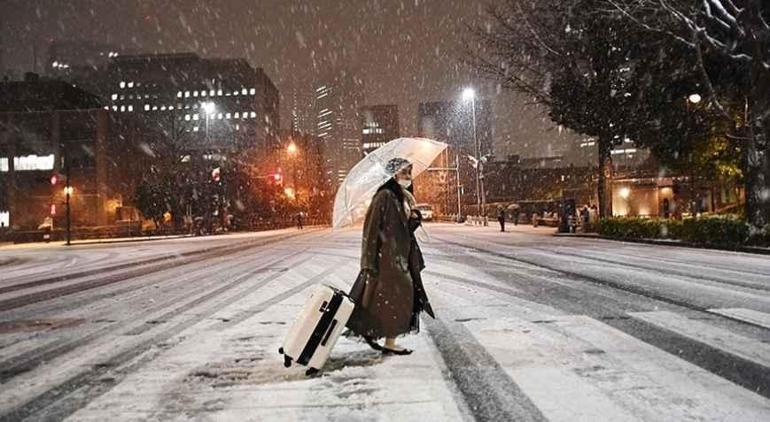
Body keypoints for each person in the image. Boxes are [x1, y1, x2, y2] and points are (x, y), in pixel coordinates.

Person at [347, 158, 433, 355]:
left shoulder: (402, 197)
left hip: (399, 258)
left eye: (410, 173)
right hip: (386, 259)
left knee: (397, 300)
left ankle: (387, 341)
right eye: (405, 173)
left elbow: (402, 230)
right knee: (391, 300)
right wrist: (368, 261)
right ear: (393, 175)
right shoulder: (384, 196)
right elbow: (370, 229)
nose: (409, 177)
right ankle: (382, 339)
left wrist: (413, 220)